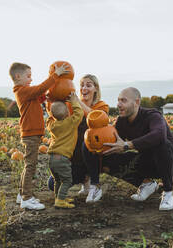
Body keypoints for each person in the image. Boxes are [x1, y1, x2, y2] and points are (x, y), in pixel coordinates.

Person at [82, 87, 173, 210]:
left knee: (161, 143)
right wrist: (93, 141)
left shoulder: (152, 115)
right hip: (148, 161)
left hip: (172, 160)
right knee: (103, 153)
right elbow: (109, 142)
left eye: (123, 101)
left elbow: (159, 135)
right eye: (118, 100)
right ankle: (146, 184)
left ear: (137, 102)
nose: (119, 104)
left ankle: (168, 193)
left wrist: (127, 145)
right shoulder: (122, 121)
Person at [10, 62, 69, 210]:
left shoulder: (27, 92)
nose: (31, 79)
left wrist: (50, 96)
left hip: (32, 134)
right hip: (30, 134)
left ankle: (22, 193)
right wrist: (55, 75)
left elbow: (40, 96)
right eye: (28, 76)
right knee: (30, 166)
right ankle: (26, 198)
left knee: (29, 165)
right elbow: (40, 89)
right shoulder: (21, 91)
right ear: (18, 76)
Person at [47, 74, 109, 201]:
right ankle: (84, 180)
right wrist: (52, 100)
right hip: (74, 158)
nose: (84, 88)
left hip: (95, 156)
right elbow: (57, 117)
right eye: (81, 85)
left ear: (96, 89)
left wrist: (77, 102)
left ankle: (94, 183)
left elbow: (95, 116)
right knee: (52, 184)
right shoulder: (71, 106)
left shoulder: (102, 106)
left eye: (88, 85)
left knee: (87, 141)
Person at [46, 93, 83, 208]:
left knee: (57, 180)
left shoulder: (51, 125)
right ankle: (60, 201)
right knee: (67, 180)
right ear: (68, 112)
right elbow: (79, 113)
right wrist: (74, 101)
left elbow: (49, 119)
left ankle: (59, 197)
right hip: (62, 158)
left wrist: (50, 105)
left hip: (52, 158)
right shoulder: (70, 123)